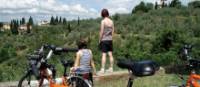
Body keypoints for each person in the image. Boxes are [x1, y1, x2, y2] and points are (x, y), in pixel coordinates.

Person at [99, 8, 114, 73]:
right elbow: (113, 31)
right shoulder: (111, 21)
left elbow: (101, 31)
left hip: (104, 40)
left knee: (104, 54)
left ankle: (102, 69)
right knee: (110, 54)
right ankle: (111, 68)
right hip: (110, 39)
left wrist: (100, 40)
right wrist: (111, 38)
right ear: (107, 13)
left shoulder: (103, 21)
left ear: (102, 14)